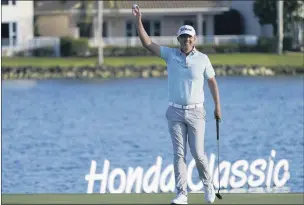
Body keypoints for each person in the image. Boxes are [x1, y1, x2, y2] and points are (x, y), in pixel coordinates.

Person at [132, 4, 222, 204]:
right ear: (179, 39)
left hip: (197, 112)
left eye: (189, 37)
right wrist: (139, 20)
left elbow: (212, 82)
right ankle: (182, 193)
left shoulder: (203, 59)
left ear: (194, 39)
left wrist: (217, 107)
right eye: (183, 37)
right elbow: (147, 43)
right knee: (179, 154)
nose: (186, 40)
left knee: (198, 154)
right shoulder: (170, 55)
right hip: (174, 112)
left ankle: (208, 185)